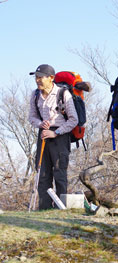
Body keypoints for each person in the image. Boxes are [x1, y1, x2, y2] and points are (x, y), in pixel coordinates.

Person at [28, 64, 78, 210]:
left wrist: (56, 132)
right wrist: (40, 123)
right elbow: (31, 117)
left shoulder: (63, 93)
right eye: (36, 77)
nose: (37, 80)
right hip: (43, 134)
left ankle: (60, 208)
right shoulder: (35, 94)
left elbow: (73, 119)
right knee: (42, 172)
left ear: (51, 78)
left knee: (59, 171)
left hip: (60, 135)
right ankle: (44, 208)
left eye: (40, 77)